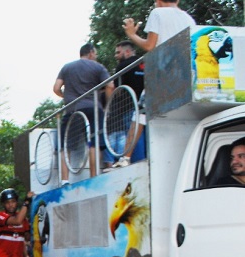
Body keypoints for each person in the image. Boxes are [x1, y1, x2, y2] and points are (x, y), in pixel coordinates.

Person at [119, 1, 195, 168]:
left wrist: (132, 35)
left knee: (139, 114)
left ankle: (125, 158)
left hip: (162, 74)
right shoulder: (188, 18)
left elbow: (150, 45)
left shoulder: (158, 14)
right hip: (183, 75)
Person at [53, 43, 113, 181]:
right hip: (93, 108)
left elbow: (56, 88)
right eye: (95, 54)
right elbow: (110, 85)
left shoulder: (67, 67)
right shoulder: (98, 67)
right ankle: (93, 176)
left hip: (72, 109)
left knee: (65, 145)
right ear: (91, 52)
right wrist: (106, 105)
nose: (96, 56)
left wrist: (67, 98)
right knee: (94, 142)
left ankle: (64, 180)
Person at [106, 41, 147, 169]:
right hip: (146, 106)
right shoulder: (145, 62)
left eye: (118, 52)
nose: (116, 56)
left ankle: (136, 166)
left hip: (128, 107)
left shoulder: (122, 66)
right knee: (145, 137)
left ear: (127, 51)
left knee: (133, 137)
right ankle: (145, 162)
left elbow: (117, 90)